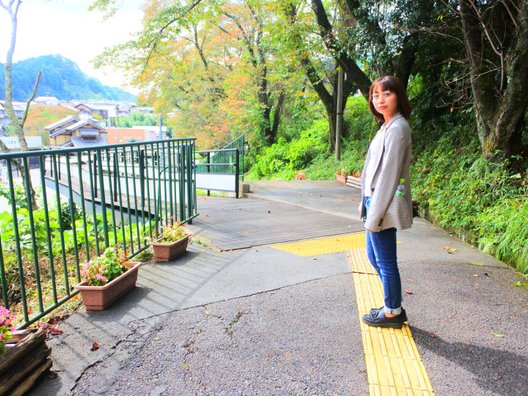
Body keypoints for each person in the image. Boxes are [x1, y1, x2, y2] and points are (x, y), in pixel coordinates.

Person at [358, 76, 413, 329]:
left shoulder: (398, 128)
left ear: (398, 96)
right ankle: (394, 303)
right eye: (375, 95)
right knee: (373, 256)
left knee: (386, 261)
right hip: (374, 201)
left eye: (386, 94)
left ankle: (392, 311)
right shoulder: (385, 127)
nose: (380, 99)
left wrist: (374, 214)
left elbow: (389, 176)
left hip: (383, 204)